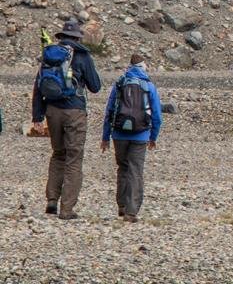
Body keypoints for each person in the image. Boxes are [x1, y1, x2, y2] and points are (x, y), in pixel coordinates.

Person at [32, 19, 102, 219]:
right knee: (73, 158)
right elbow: (95, 86)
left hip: (51, 111)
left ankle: (51, 201)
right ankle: (67, 209)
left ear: (62, 36)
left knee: (58, 154)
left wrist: (37, 116)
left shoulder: (49, 55)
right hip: (74, 112)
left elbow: (38, 87)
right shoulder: (82, 55)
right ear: (77, 38)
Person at [101, 54, 163, 223]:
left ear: (130, 66)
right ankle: (131, 211)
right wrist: (153, 137)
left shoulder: (120, 83)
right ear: (143, 66)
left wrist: (105, 137)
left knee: (123, 168)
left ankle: (121, 205)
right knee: (136, 171)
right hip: (141, 135)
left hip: (119, 134)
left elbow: (109, 111)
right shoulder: (149, 86)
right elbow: (157, 115)